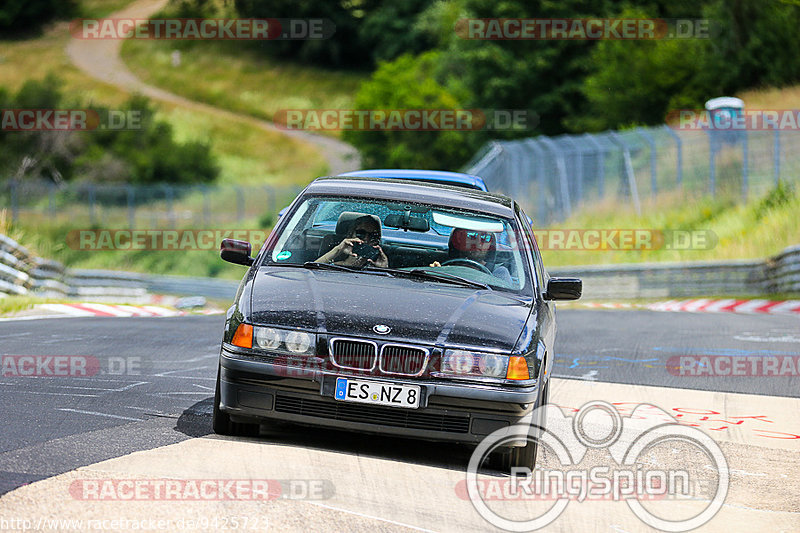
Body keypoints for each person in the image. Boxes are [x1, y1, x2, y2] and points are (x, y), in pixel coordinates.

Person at [431, 228, 511, 283]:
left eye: (485, 237)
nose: (478, 242)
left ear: (490, 244)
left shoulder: (498, 274)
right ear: (459, 239)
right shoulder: (443, 268)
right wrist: (435, 274)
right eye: (472, 236)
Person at [315, 214, 389, 268]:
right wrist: (338, 250)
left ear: (377, 239)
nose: (366, 238)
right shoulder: (336, 254)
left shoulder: (379, 259)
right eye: (361, 233)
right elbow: (312, 269)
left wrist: (384, 268)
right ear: (350, 235)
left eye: (373, 235)